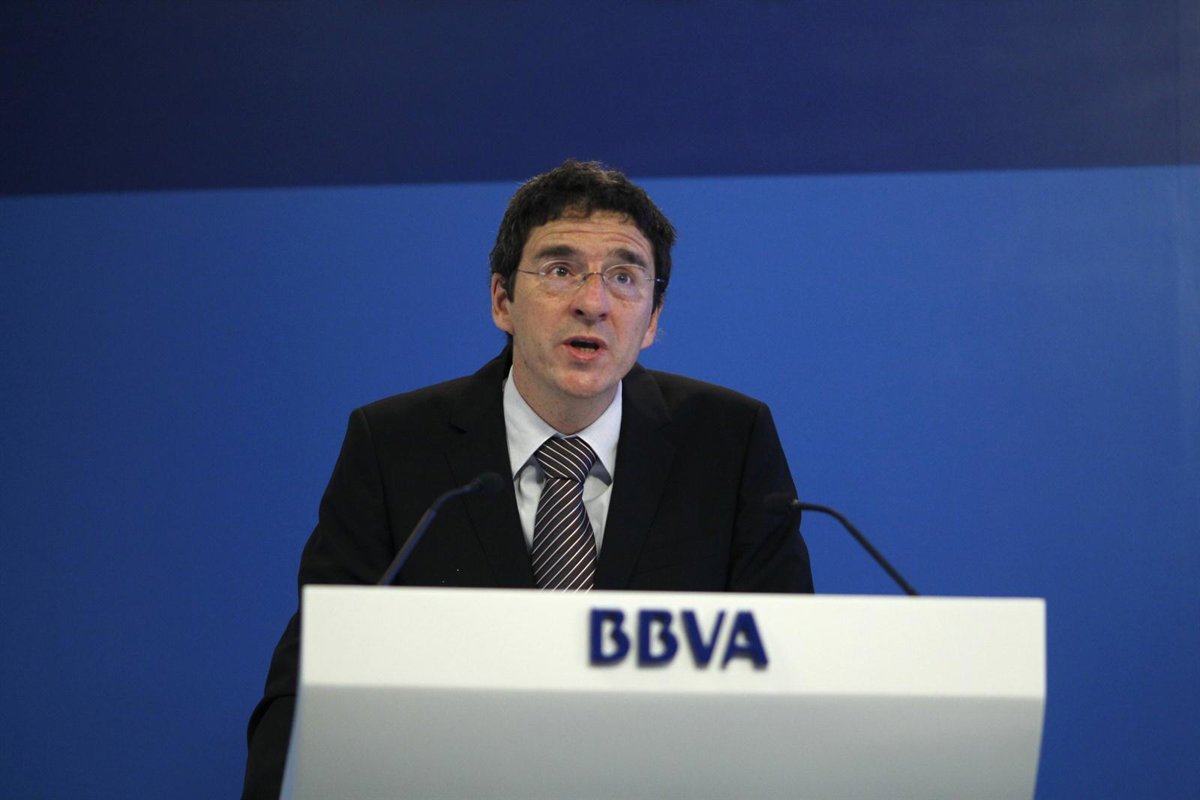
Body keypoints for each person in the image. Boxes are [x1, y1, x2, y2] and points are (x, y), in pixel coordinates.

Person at [241, 160, 813, 798]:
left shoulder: (730, 444)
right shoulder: (395, 447)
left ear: (652, 320)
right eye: (560, 270)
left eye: (624, 276)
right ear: (502, 301)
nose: (592, 303)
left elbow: (785, 674)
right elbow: (312, 676)